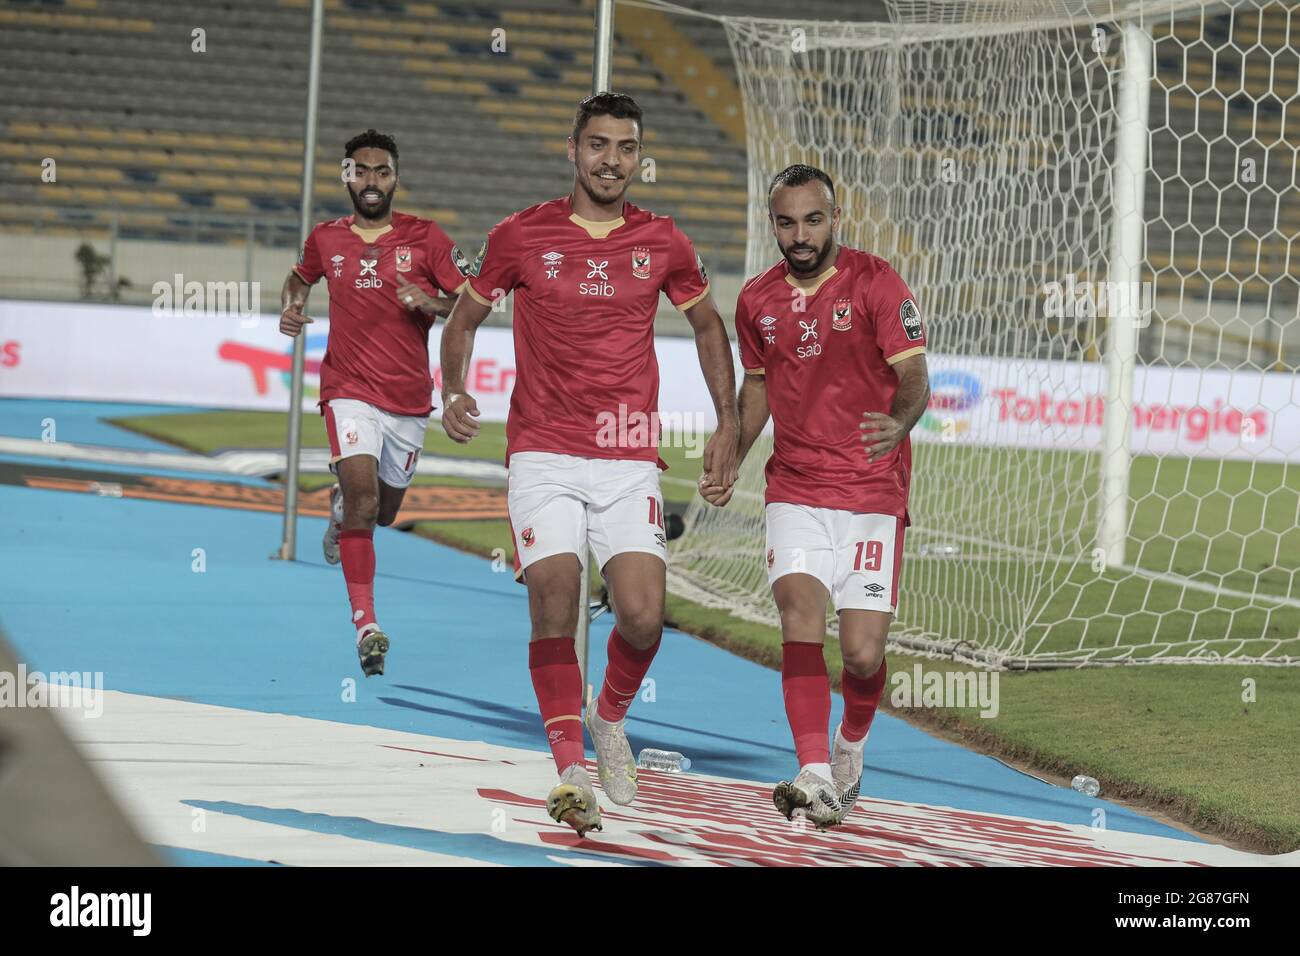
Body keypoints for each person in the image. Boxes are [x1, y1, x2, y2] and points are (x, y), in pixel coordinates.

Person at [439, 93, 739, 835]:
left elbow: (708, 323)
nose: (612, 160)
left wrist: (729, 422)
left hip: (628, 450)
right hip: (542, 449)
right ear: (571, 149)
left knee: (642, 615)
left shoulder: (664, 240)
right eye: (598, 145)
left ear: (640, 156)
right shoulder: (519, 234)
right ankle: (570, 767)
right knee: (555, 596)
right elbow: (463, 318)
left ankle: (609, 719)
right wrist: (451, 388)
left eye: (627, 147)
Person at [702, 164, 930, 828]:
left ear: (834, 219)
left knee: (861, 654)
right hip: (796, 489)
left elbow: (913, 375)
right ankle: (813, 771)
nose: (799, 235)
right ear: (770, 222)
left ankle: (851, 744)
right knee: (798, 616)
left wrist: (902, 420)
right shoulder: (756, 300)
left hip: (870, 491)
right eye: (785, 221)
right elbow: (758, 389)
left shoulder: (877, 282)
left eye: (812, 219)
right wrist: (732, 459)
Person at [280, 129, 468, 677]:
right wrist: (293, 307)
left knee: (382, 513)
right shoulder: (326, 237)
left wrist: (428, 300)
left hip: (408, 399)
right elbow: (299, 277)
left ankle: (342, 512)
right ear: (346, 176)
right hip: (347, 390)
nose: (370, 181)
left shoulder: (427, 237)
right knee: (364, 498)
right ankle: (367, 624)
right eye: (360, 170)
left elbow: (469, 298)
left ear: (395, 178)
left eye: (381, 171)